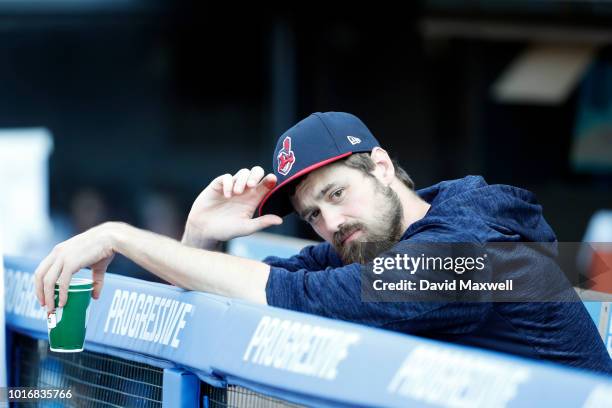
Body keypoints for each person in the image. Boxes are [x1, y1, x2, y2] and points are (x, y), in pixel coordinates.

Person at [34, 112, 612, 374]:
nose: (330, 222)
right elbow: (245, 291)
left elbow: (293, 296)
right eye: (312, 214)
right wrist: (200, 237)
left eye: (337, 193)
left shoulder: (472, 253)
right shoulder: (366, 246)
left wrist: (117, 235)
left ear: (381, 166)